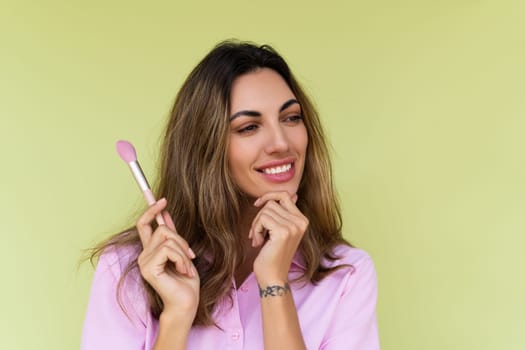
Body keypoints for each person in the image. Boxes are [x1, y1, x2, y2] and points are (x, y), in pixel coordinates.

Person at [81, 40, 379, 350]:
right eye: (249, 127)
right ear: (205, 147)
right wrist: (176, 317)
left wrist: (274, 282)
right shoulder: (125, 271)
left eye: (291, 118)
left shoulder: (346, 275)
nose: (281, 143)